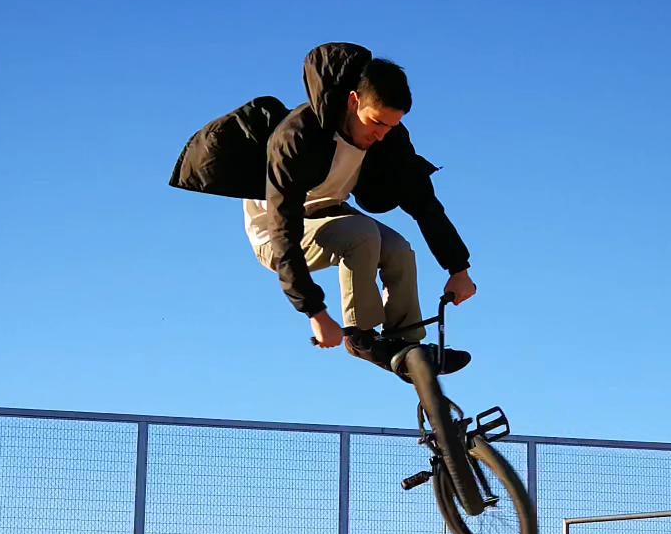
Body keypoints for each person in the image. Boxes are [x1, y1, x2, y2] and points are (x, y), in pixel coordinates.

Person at [170, 42, 478, 378]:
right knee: (361, 234)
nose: (380, 135)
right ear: (353, 101)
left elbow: (422, 199)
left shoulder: (389, 138)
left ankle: (408, 347)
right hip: (275, 233)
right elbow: (283, 228)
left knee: (398, 248)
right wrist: (314, 311)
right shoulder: (297, 136)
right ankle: (361, 338)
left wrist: (458, 267)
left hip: (330, 213)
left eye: (390, 126)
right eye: (376, 123)